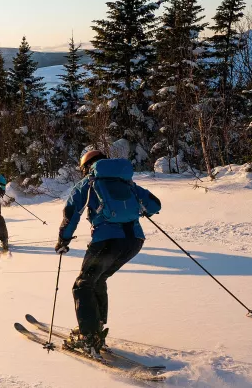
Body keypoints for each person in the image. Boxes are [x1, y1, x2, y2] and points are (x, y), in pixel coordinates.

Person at [55, 150, 162, 357]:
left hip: (107, 241)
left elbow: (71, 212)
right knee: (98, 279)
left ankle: (88, 337)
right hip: (134, 242)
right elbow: (155, 205)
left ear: (87, 166)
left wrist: (63, 240)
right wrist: (141, 210)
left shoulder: (88, 183)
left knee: (83, 284)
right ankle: (96, 327)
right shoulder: (127, 183)